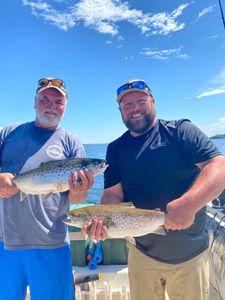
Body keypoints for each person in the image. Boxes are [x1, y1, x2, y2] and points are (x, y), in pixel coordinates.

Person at [84, 79, 225, 300]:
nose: (135, 108)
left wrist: (189, 204)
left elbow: (218, 166)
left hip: (190, 256)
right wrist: (102, 221)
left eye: (141, 100)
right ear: (120, 110)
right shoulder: (115, 148)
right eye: (127, 104)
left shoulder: (180, 131)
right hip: (142, 255)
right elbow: (113, 193)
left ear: (153, 101)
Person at [0, 77, 94, 300]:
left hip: (51, 244)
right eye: (45, 99)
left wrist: (80, 190)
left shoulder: (71, 142)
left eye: (58, 101)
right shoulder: (8, 133)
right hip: (4, 243)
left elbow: (78, 198)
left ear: (65, 107)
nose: (51, 105)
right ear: (35, 101)